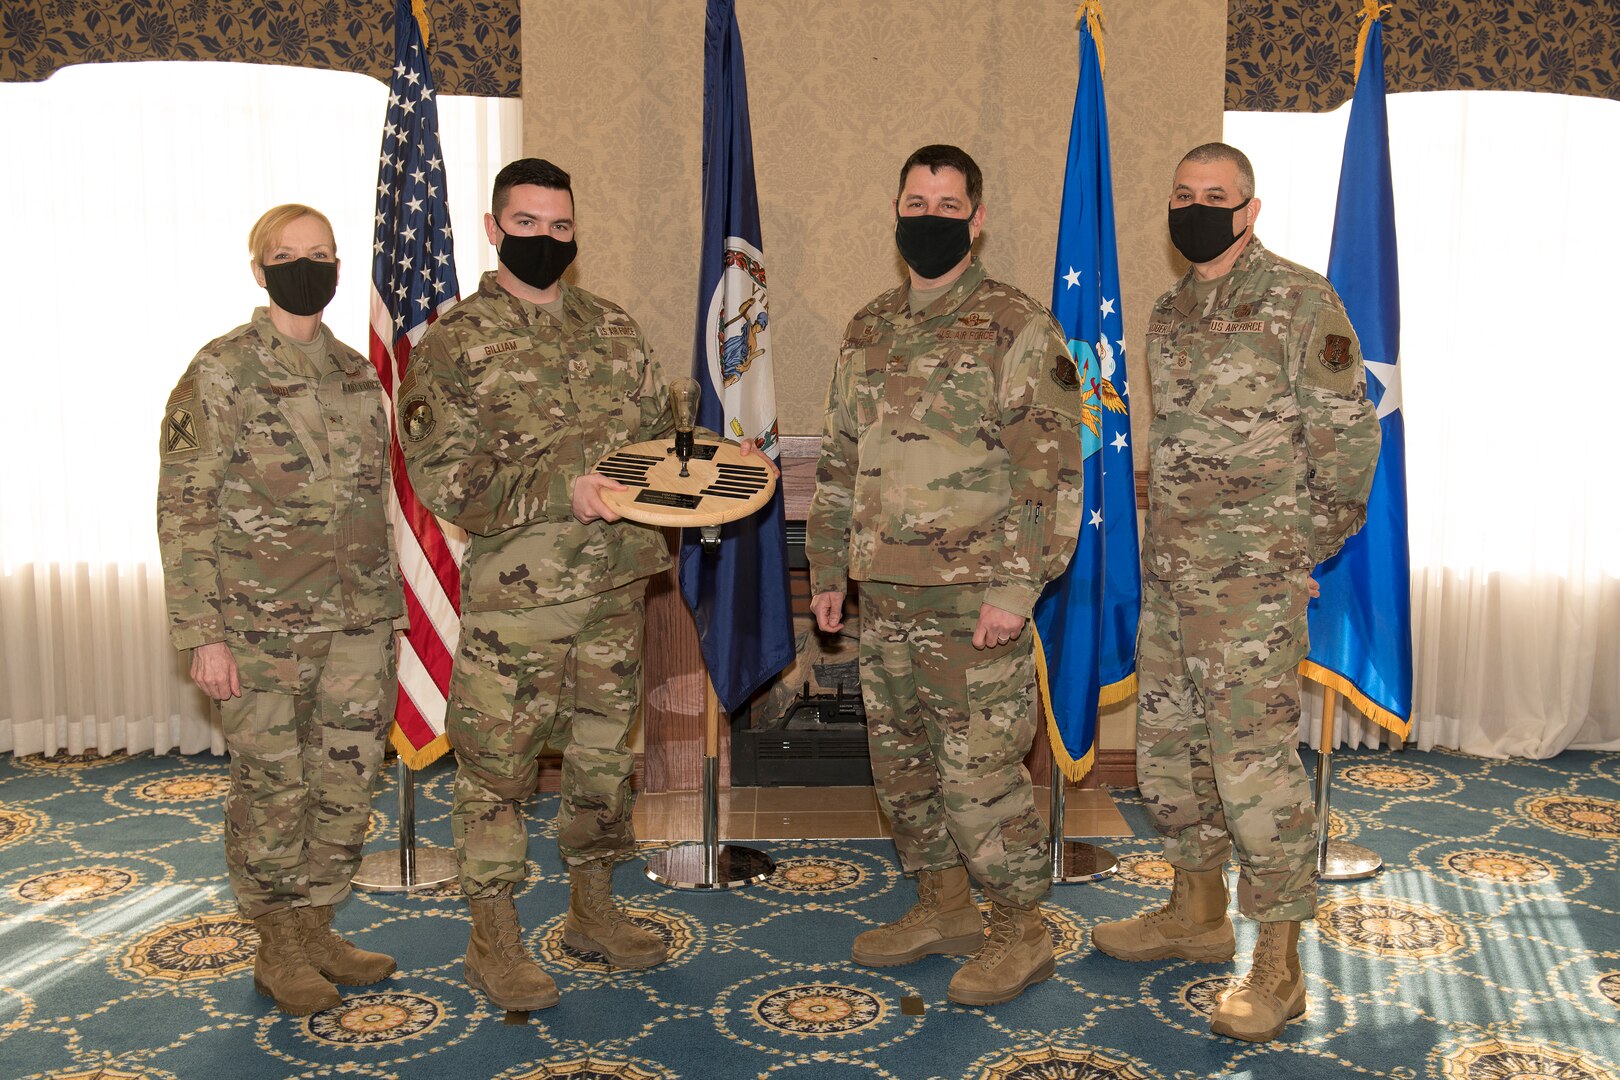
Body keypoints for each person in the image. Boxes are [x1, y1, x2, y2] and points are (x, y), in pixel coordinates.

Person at [1090, 143, 1380, 1043]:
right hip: (1176, 579)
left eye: (1215, 197)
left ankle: (1281, 966)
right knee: (1172, 759)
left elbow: (1348, 442)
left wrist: (1300, 551)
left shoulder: (1301, 302)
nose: (1197, 208)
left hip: (1252, 589)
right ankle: (1196, 914)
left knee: (1256, 776)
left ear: (1250, 210)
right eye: (1182, 194)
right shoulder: (1170, 310)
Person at [398, 157, 701, 1011]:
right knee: (498, 769)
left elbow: (653, 446)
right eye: (526, 224)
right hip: (519, 603)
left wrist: (714, 462)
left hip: (614, 589)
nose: (544, 239)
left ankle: (593, 910)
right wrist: (553, 489)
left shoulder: (614, 328)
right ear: (494, 229)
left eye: (560, 226)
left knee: (605, 763)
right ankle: (492, 937)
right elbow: (440, 472)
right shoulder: (456, 342)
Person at [806, 144, 1085, 1006]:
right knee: (904, 769)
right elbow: (842, 462)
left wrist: (1014, 590)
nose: (931, 218)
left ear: (978, 218)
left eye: (948, 204)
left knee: (980, 774)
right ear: (895, 209)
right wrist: (826, 567)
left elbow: (1050, 471)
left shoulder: (1016, 325)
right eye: (916, 203)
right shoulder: (868, 326)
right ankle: (943, 904)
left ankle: (1020, 929)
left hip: (974, 601)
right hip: (883, 596)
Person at [156, 204, 402, 1015]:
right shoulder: (222, 371)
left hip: (359, 623)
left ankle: (317, 924)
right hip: (260, 629)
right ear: (259, 271)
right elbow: (185, 507)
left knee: (345, 780)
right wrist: (202, 635)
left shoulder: (358, 374)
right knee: (273, 787)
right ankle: (277, 945)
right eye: (289, 255)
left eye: (322, 253)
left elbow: (375, 499)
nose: (308, 266)